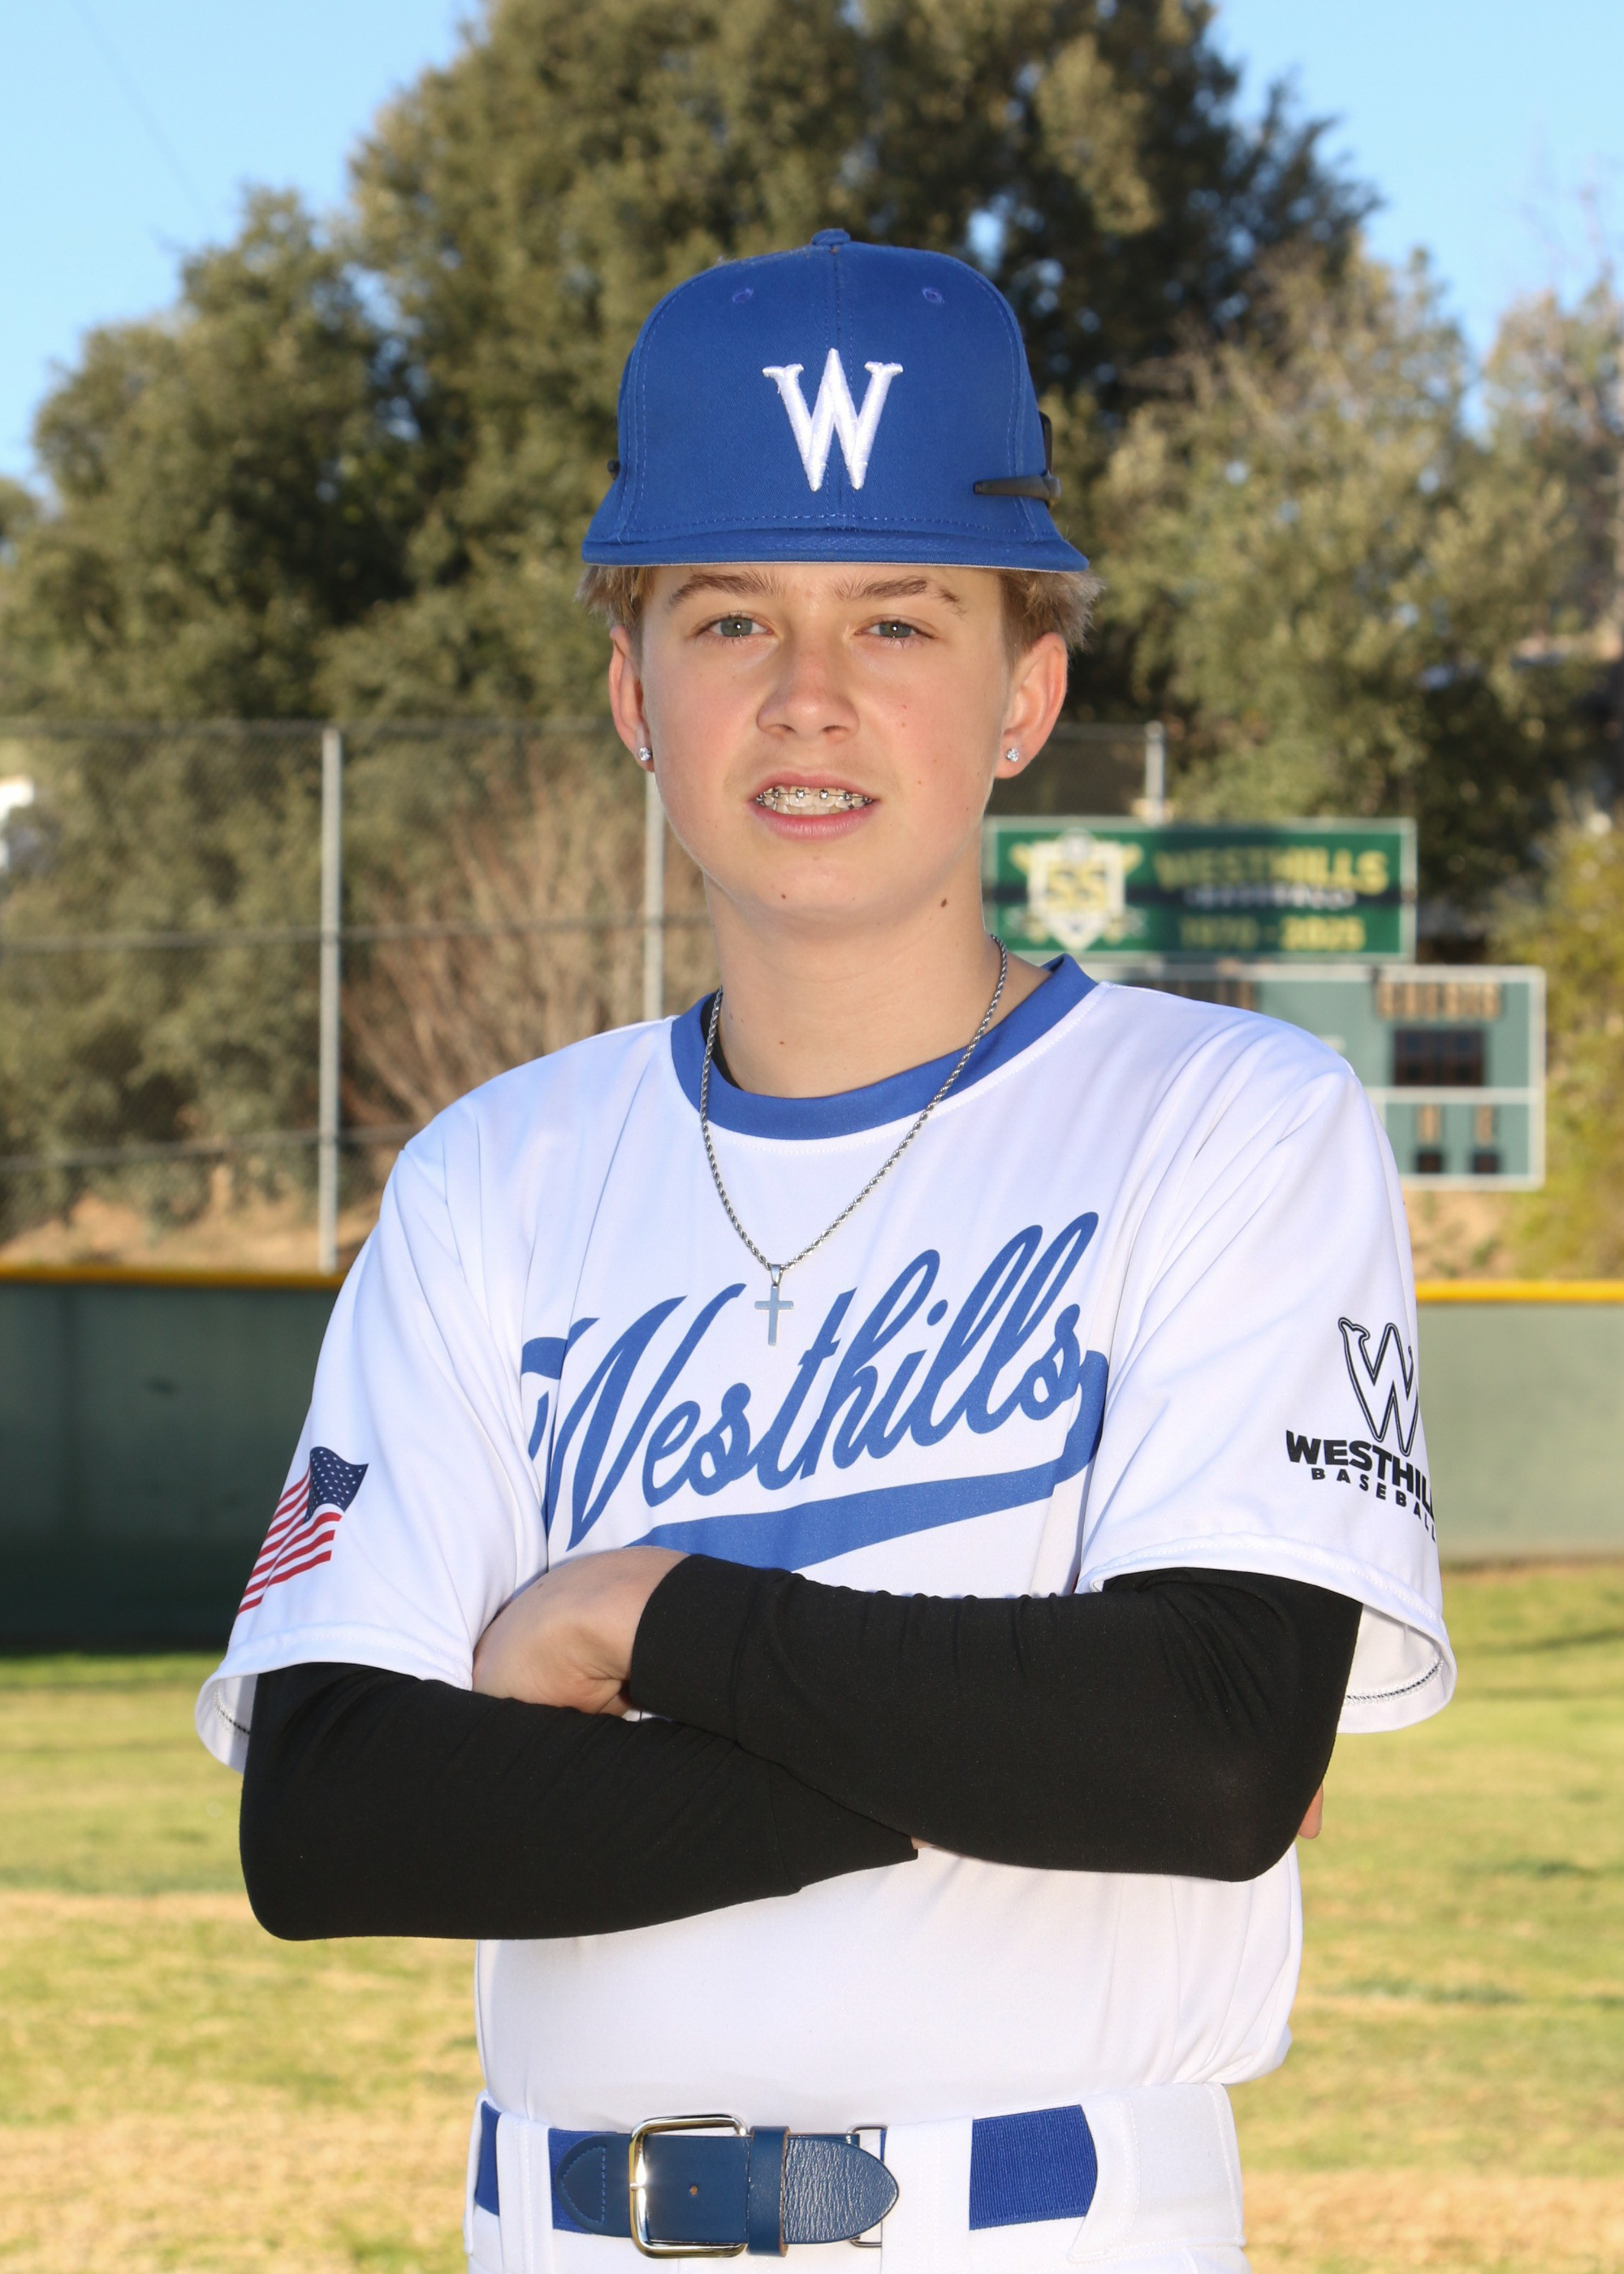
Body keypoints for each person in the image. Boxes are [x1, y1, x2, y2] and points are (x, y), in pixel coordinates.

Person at [197, 231, 1453, 2274]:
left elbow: (1209, 1753)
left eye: (896, 616)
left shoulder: (1223, 1117)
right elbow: (335, 1815)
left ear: (1026, 689)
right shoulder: (493, 1176)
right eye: (728, 617)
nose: (808, 696)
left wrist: (635, 1612)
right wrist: (1008, 1751)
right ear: (633, 687)